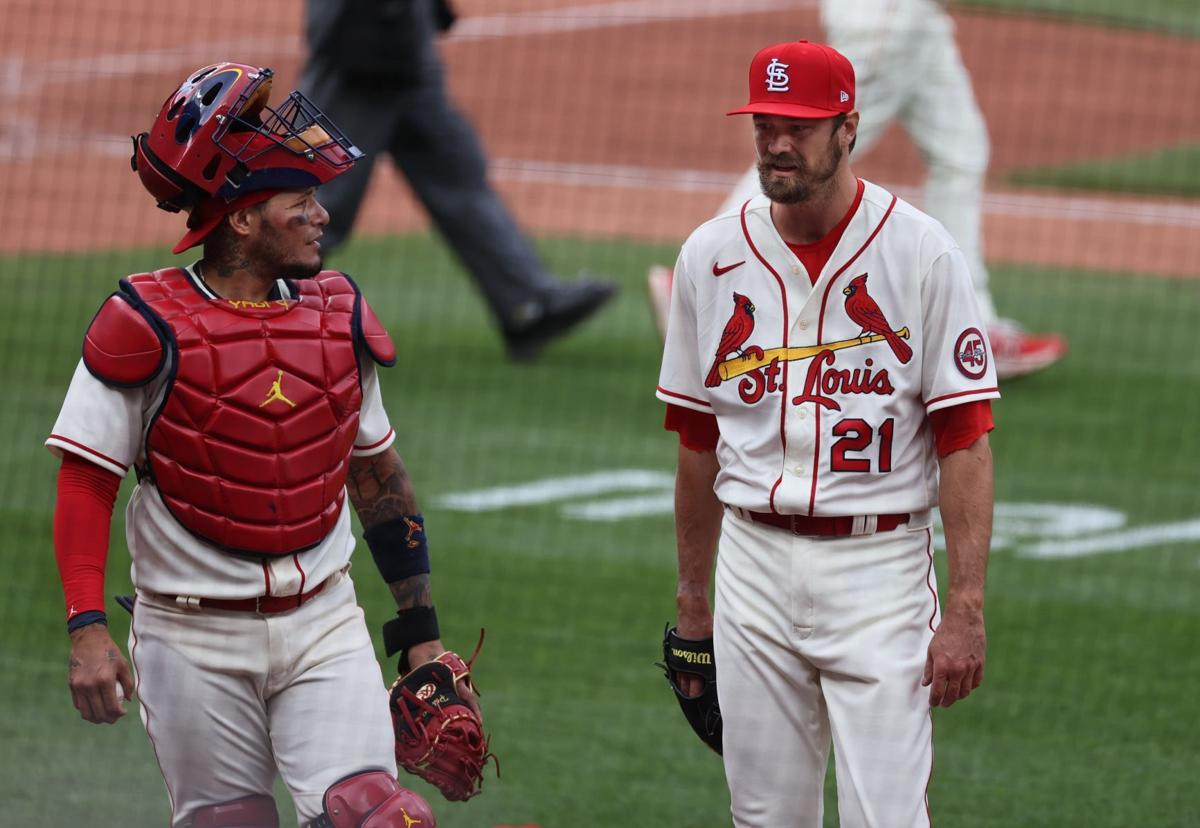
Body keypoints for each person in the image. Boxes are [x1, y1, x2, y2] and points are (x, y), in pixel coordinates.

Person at [47, 63, 471, 826]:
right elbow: (86, 481)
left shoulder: (336, 318)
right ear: (240, 220)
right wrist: (86, 629)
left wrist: (421, 639)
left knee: (377, 815)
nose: (322, 216)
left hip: (324, 624)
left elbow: (378, 477)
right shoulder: (142, 324)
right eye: (299, 201)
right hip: (189, 635)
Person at [656, 41, 996, 826]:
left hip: (879, 572)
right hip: (753, 568)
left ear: (849, 128)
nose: (778, 143)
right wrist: (692, 604)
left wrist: (968, 608)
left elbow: (967, 441)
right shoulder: (708, 258)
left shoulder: (922, 254)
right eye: (766, 123)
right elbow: (695, 444)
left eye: (800, 126)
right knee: (764, 818)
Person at [649, 0, 1065, 380]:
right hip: (886, 16)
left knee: (961, 152)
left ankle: (971, 320)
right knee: (814, 148)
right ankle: (702, 279)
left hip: (915, 19)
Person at [301, 0, 616, 360]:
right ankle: (251, 311)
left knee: (456, 171)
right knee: (321, 192)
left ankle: (527, 303)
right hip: (360, 37)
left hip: (405, 39)